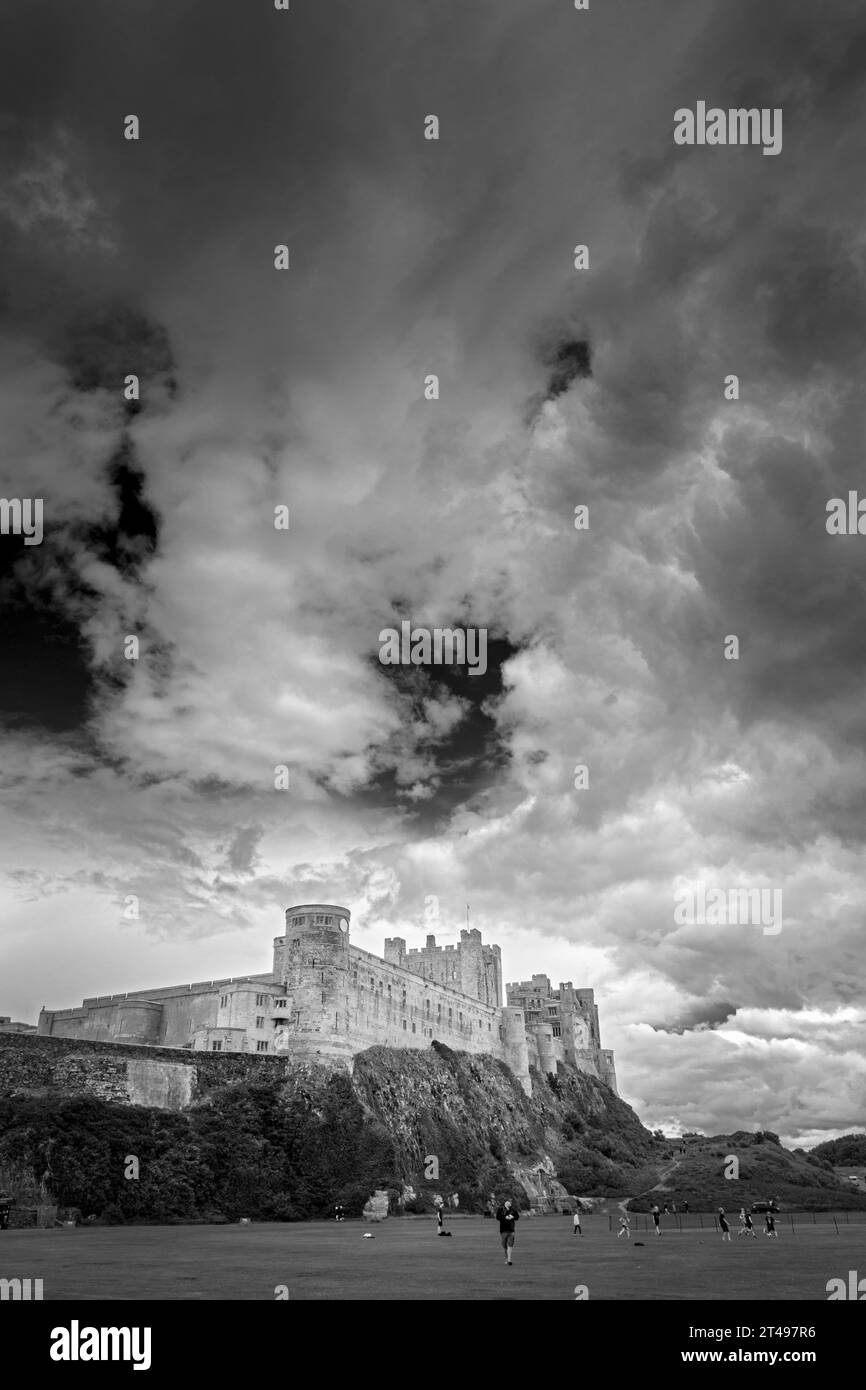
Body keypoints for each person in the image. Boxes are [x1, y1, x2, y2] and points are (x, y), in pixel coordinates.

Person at [495, 1199, 520, 1265]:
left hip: (511, 1230)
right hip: (503, 1230)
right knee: (504, 1244)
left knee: (510, 1243)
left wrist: (512, 1217)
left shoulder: (513, 1210)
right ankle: (507, 1257)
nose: (509, 1204)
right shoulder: (500, 1209)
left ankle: (509, 1260)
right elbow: (497, 1217)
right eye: (508, 1203)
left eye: (510, 1203)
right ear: (505, 1204)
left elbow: (517, 1217)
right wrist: (505, 1217)